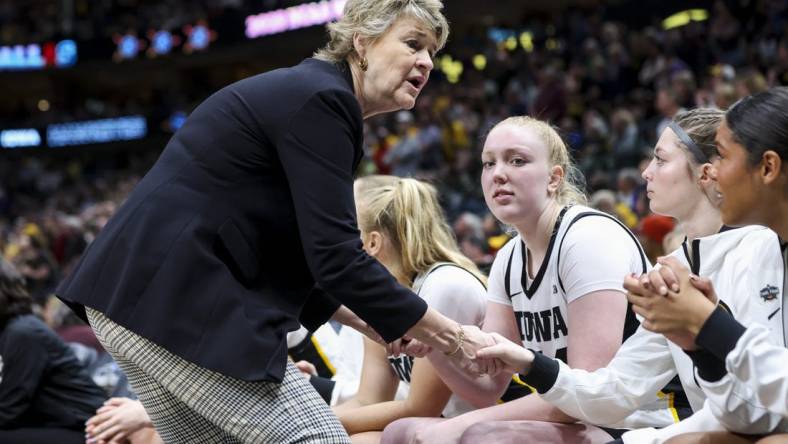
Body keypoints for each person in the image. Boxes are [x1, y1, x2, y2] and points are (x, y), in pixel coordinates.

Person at [54, 1, 494, 442]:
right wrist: (453, 337)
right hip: (171, 299)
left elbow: (298, 255)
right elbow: (337, 259)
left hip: (139, 297)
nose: (426, 62)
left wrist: (377, 324)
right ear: (362, 42)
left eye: (432, 52)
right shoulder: (325, 100)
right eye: (413, 43)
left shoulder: (312, 96)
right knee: (319, 439)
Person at [468, 109, 786, 443]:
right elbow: (617, 390)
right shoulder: (675, 266)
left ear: (707, 172)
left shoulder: (759, 249)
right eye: (488, 163)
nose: (647, 172)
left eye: (661, 160)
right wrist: (530, 363)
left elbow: (757, 411)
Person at [382, 116, 659, 444]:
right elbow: (488, 387)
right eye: (488, 163)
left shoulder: (587, 238)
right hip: (576, 414)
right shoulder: (509, 257)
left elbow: (588, 394)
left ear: (554, 178)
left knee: (481, 436)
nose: (498, 173)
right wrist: (435, 346)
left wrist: (458, 426)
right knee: (400, 431)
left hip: (637, 419)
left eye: (517, 161)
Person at [625, 87, 788, 442]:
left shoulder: (756, 247)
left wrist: (707, 324)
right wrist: (700, 343)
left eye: (723, 159)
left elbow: (770, 412)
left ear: (768, 167)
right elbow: (747, 414)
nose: (712, 174)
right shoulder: (770, 247)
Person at [334, 176, 487, 443]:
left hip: (493, 427)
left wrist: (314, 424)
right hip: (437, 429)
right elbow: (367, 400)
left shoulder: (444, 285)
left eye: (348, 227)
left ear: (372, 242)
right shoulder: (381, 298)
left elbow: (421, 408)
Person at [0, 258, 107, 444]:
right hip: (58, 425)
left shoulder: (22, 332)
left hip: (89, 430)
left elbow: (9, 410)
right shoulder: (13, 330)